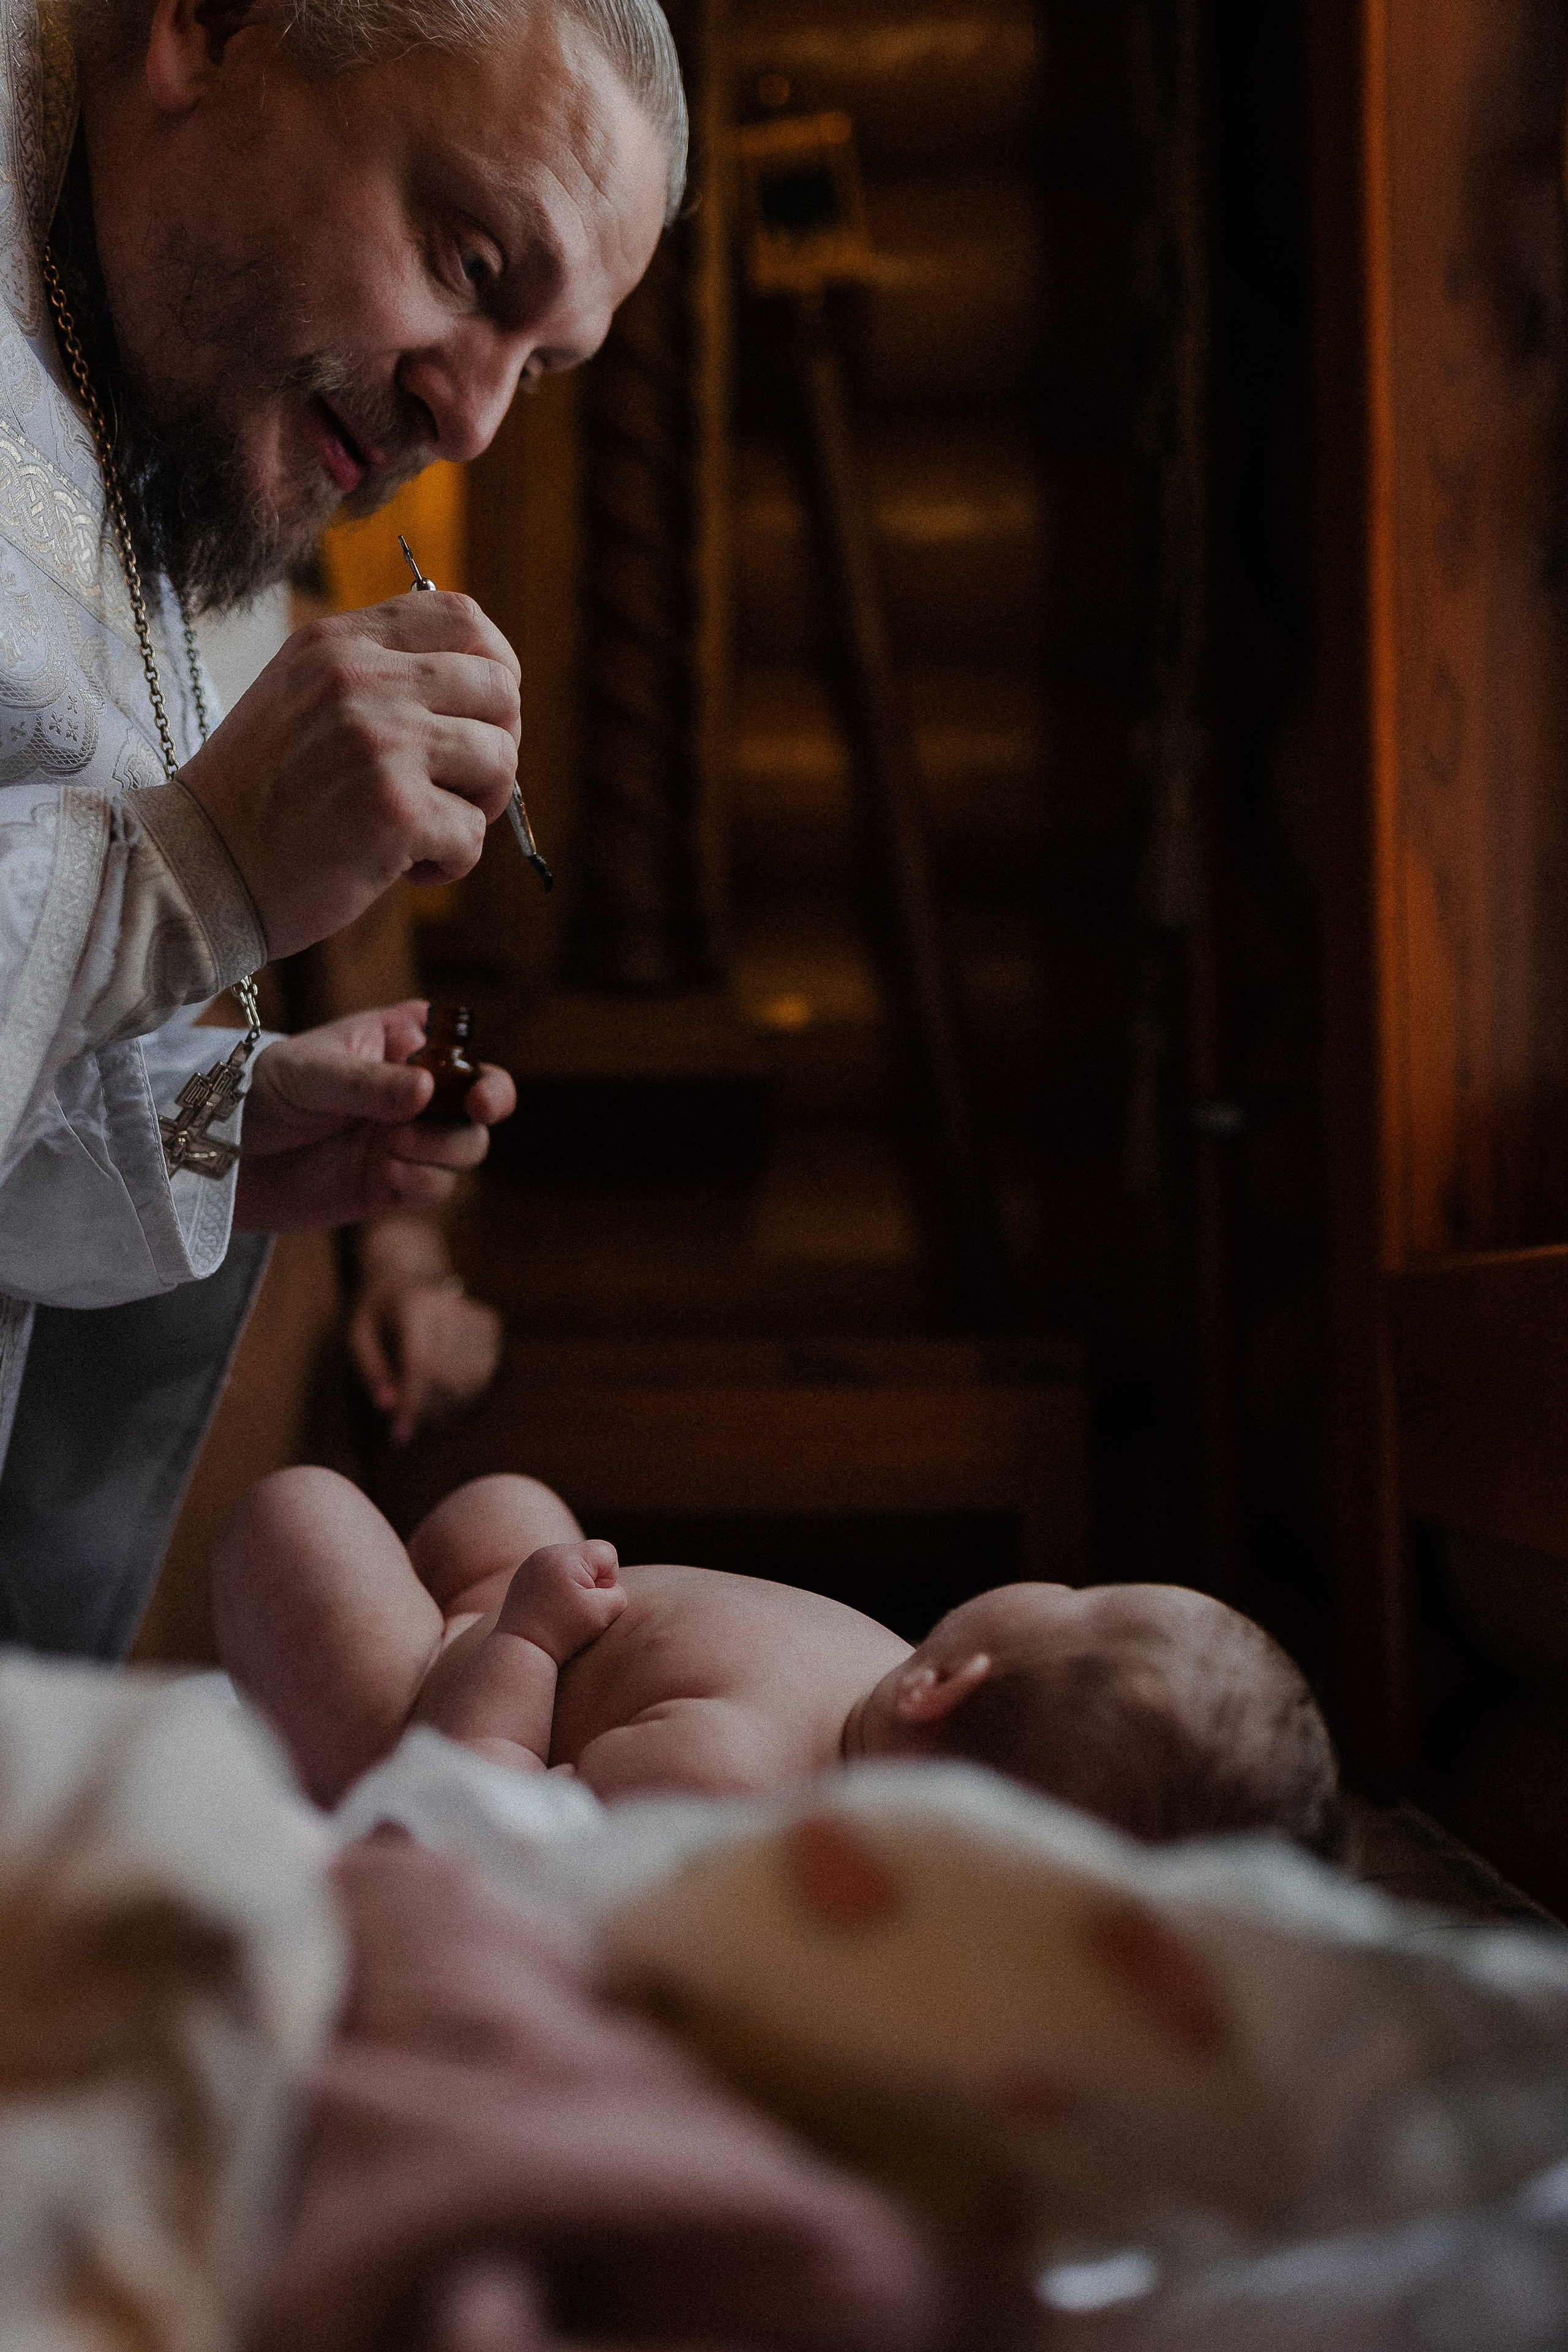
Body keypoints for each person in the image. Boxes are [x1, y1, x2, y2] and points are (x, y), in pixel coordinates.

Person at [0, 0, 681, 1654]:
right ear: (213, 28)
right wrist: (191, 878)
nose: (477, 421)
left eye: (543, 365)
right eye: (467, 264)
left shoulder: (185, 405)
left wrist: (201, 1129)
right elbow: (138, 885)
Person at [214, 1465, 1344, 1853]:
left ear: (946, 1689)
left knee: (299, 1515)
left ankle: (317, 1723)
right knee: (508, 1505)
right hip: (540, 1614)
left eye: (1072, 1598)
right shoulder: (887, 1689)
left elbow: (480, 1808)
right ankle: (475, 1577)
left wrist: (522, 1639)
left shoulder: (733, 1779)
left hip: (431, 1700)